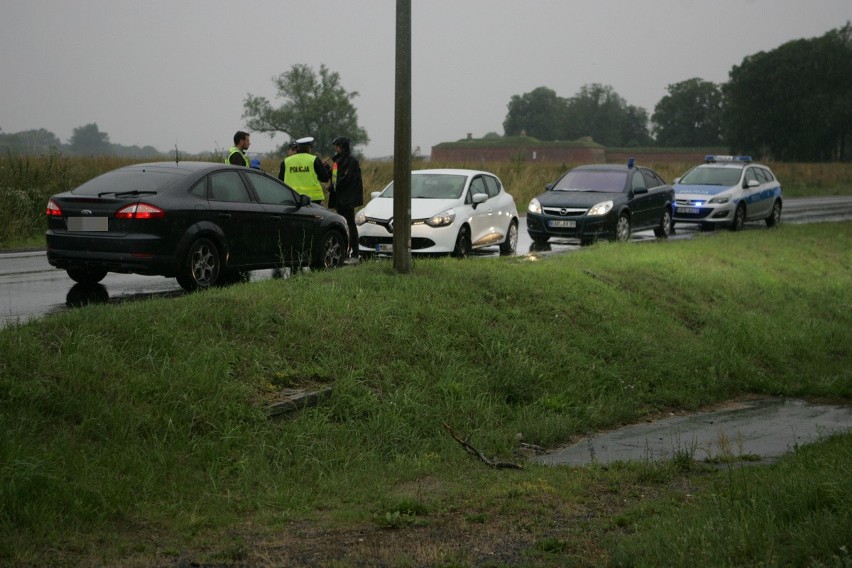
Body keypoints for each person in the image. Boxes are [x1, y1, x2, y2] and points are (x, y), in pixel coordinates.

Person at [328, 136, 363, 260]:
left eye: (337, 146)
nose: (336, 149)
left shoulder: (350, 161)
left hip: (347, 200)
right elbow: (335, 177)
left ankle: (354, 252)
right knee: (344, 225)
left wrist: (332, 188)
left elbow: (345, 180)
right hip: (340, 199)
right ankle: (345, 251)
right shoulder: (339, 161)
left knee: (350, 225)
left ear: (343, 147)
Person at [278, 136, 330, 204]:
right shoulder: (314, 160)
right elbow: (324, 178)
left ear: (298, 148)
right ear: (309, 148)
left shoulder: (286, 162)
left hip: (292, 197)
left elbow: (280, 181)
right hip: (313, 199)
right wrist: (325, 167)